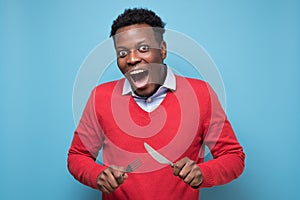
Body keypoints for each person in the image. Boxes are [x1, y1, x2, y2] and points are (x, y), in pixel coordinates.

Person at [67, 8, 245, 200]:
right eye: (122, 52)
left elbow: (233, 156)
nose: (132, 59)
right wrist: (97, 175)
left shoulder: (201, 95)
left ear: (162, 49)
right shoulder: (100, 97)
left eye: (143, 48)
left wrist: (203, 172)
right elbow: (77, 155)